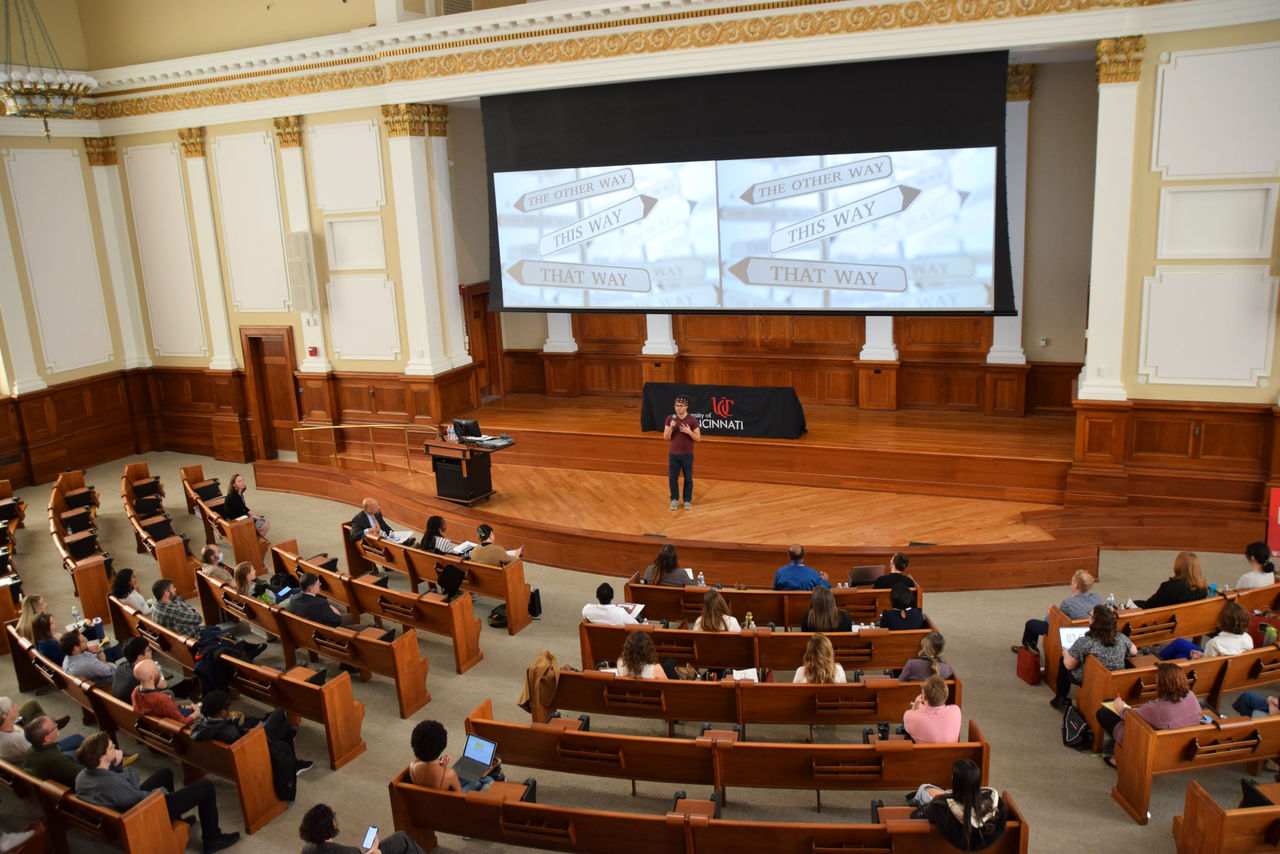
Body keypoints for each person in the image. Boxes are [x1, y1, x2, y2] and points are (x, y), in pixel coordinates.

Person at [75, 731, 240, 854]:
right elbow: (137, 791)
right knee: (205, 787)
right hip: (141, 816)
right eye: (111, 748)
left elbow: (129, 790)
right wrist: (120, 766)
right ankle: (213, 839)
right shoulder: (112, 783)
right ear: (101, 758)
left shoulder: (82, 776)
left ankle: (173, 820)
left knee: (165, 774)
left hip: (125, 808)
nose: (116, 748)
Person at [191, 689, 312, 790]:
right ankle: (294, 765)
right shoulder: (228, 731)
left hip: (236, 748)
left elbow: (230, 732)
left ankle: (294, 763)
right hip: (254, 748)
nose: (230, 709)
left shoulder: (202, 724)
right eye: (228, 708)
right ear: (221, 712)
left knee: (284, 727)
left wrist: (234, 723)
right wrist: (256, 730)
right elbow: (245, 741)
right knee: (279, 713)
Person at [1094, 662, 1202, 767]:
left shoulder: (1156, 709)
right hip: (1183, 743)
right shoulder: (1190, 695)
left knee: (1103, 713)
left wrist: (1120, 707)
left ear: (1162, 684)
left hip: (1152, 746)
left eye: (1157, 681)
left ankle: (1123, 757)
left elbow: (1131, 717)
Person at [150, 578, 267, 659]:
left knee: (216, 629)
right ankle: (244, 654)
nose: (175, 589)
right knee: (224, 637)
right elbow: (197, 618)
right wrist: (188, 610)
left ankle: (245, 646)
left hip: (184, 634)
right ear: (166, 593)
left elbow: (180, 601)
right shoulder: (171, 611)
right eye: (172, 588)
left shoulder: (157, 602)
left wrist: (185, 608)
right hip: (190, 639)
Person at [1050, 605, 1137, 709]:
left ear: (1094, 620)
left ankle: (1060, 697)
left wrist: (1065, 653)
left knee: (1063, 660)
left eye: (1089, 615)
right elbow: (1134, 651)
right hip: (1114, 678)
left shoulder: (1085, 641)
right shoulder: (1121, 638)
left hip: (1091, 679)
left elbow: (1069, 666)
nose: (1088, 618)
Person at [910, 759, 1006, 851]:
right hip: (965, 800)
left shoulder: (941, 809)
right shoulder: (997, 805)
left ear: (955, 782)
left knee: (924, 789)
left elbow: (916, 816)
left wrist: (937, 800)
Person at [1012, 570, 1100, 654]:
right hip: (1089, 631)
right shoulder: (1097, 598)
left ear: (1075, 585)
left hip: (1066, 633)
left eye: (1072, 581)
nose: (1071, 583)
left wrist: (1051, 614)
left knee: (1030, 624)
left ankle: (1030, 650)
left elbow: (1051, 622)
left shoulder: (1068, 603)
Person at [408, 719, 500, 792]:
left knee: (467, 774)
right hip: (446, 802)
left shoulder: (412, 766)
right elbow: (458, 798)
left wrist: (441, 767)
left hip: (433, 796)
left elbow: (429, 775)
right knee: (480, 783)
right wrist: (444, 770)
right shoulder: (449, 774)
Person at [298, 802, 425, 854]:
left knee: (400, 838)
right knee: (403, 840)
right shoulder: (349, 852)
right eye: (333, 817)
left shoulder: (306, 849)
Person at [0, 698, 74, 763]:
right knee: (76, 738)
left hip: (16, 731)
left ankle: (51, 724)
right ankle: (51, 728)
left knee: (31, 704)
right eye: (12, 706)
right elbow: (40, 750)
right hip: (41, 756)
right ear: (5, 716)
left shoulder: (6, 729)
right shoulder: (18, 738)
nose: (16, 706)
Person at [21, 716, 87, 787]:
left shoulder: (33, 748)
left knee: (76, 738)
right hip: (67, 780)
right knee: (86, 754)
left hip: (50, 758)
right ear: (47, 738)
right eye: (54, 726)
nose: (57, 725)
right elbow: (80, 774)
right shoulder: (57, 759)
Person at [1133, 551, 1209, 609]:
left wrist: (1134, 603)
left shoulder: (1169, 587)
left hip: (1167, 625)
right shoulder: (1203, 589)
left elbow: (1150, 606)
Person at [663, 394, 701, 510]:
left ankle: (687, 500)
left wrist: (689, 431)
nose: (678, 408)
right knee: (672, 478)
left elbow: (698, 438)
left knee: (688, 478)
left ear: (686, 406)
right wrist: (671, 427)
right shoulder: (670, 419)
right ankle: (674, 499)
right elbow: (666, 437)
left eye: (681, 406)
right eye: (677, 405)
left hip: (687, 454)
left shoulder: (692, 420)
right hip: (673, 454)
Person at [132, 659, 200, 722]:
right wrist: (197, 713)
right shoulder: (161, 699)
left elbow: (167, 707)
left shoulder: (136, 691)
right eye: (156, 669)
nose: (159, 670)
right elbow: (183, 721)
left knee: (187, 702)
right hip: (178, 723)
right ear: (152, 677)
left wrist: (186, 707)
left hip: (164, 715)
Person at [904, 675, 961, 743]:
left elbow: (908, 727)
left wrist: (916, 704)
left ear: (924, 697)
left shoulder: (909, 716)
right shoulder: (956, 710)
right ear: (946, 695)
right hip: (952, 753)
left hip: (924, 753)